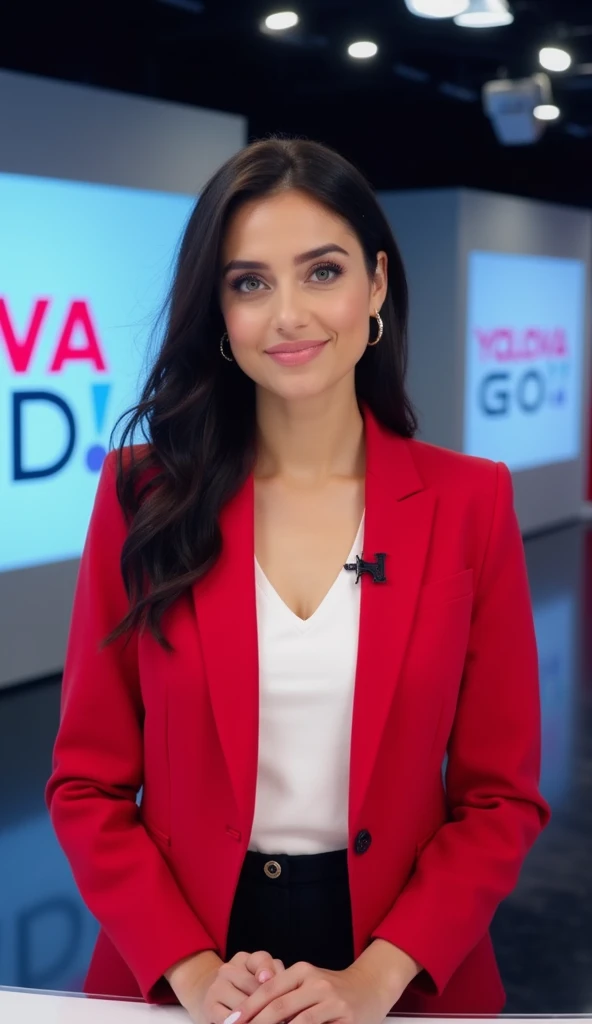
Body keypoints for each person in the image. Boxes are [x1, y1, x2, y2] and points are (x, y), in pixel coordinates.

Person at [46, 136, 550, 1024]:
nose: (288, 315)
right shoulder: (142, 495)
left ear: (377, 286)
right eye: (249, 282)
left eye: (322, 272)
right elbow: (86, 786)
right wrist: (193, 970)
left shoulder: (471, 501)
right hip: (184, 963)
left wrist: (379, 975)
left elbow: (499, 797)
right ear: (219, 310)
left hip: (403, 967)